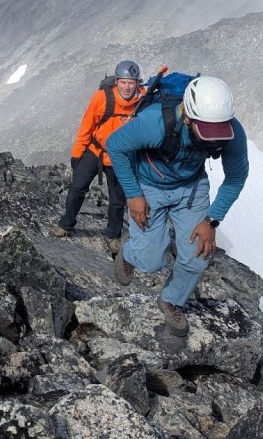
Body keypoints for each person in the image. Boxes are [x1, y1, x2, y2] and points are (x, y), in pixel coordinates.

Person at [105, 75, 249, 337]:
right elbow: (114, 146)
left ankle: (171, 299)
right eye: (205, 131)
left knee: (198, 255)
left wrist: (212, 220)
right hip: (149, 185)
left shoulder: (230, 131)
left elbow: (236, 177)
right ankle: (129, 252)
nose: (212, 141)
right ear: (188, 117)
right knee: (150, 261)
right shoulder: (156, 123)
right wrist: (134, 194)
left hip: (191, 188)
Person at [51, 60, 144, 254]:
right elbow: (87, 127)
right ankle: (66, 224)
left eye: (131, 82)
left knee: (118, 199)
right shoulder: (102, 98)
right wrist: (77, 154)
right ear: (116, 81)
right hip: (95, 150)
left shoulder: (143, 101)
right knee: (77, 187)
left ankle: (113, 235)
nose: (127, 87)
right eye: (123, 82)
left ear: (137, 83)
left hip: (121, 157)